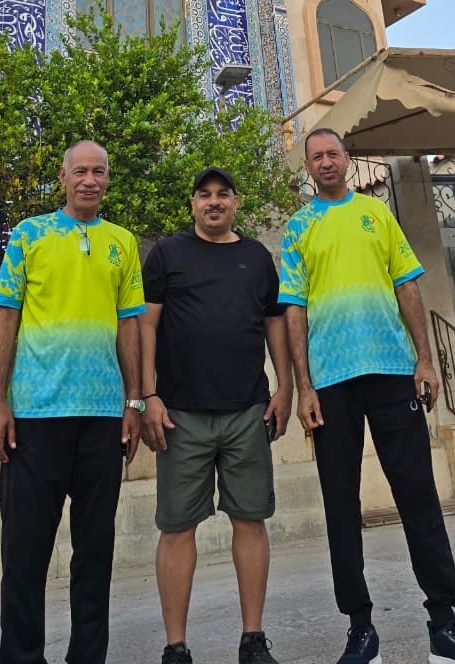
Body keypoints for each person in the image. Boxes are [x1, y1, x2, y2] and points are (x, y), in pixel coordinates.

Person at [279, 128, 455, 664]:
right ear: (307, 167)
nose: (326, 162)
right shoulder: (298, 227)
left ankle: (444, 625)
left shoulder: (377, 214)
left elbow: (407, 284)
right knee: (340, 505)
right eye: (316, 156)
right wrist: (304, 386)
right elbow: (293, 309)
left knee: (418, 495)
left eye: (333, 154)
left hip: (392, 372)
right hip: (331, 382)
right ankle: (361, 631)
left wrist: (425, 359)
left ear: (347, 159)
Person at [0, 139, 145, 664]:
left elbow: (130, 324)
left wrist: (134, 403)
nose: (89, 180)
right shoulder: (28, 235)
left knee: (95, 554)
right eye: (80, 171)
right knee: (25, 554)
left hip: (102, 419)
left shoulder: (122, 242)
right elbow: (5, 317)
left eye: (99, 171)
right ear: (63, 177)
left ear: (108, 178)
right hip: (35, 416)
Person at [140, 166, 293, 664]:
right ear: (192, 204)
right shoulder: (167, 254)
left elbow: (274, 322)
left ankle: (253, 640)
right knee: (176, 528)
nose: (213, 202)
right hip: (180, 415)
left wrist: (285, 386)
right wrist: (147, 395)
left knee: (250, 521)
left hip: (248, 411)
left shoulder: (257, 257)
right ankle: (176, 647)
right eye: (204, 195)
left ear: (235, 202)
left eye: (222, 194)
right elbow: (146, 327)